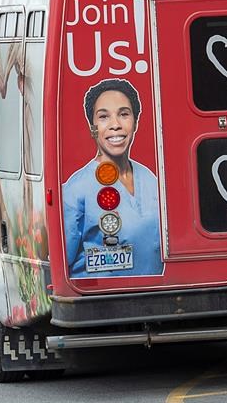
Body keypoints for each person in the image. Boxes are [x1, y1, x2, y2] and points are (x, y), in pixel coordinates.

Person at [62, 78, 163, 277]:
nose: (115, 125)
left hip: (154, 292)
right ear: (92, 127)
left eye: (124, 114)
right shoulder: (76, 189)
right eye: (103, 117)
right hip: (100, 294)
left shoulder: (150, 179)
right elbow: (62, 262)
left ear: (135, 122)